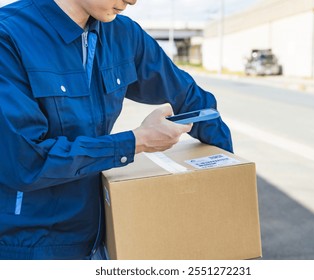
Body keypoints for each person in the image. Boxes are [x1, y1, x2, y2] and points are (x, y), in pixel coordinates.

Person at [0, 0, 233, 260]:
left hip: (101, 238)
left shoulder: (122, 34)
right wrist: (135, 142)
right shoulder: (8, 35)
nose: (133, 0)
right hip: (27, 247)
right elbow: (26, 162)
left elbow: (190, 97)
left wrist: (229, 178)